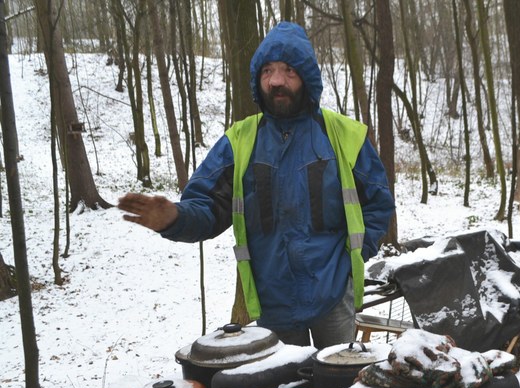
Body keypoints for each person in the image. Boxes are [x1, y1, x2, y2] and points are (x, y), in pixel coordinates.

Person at [117, 22, 395, 349]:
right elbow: (208, 208)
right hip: (272, 302)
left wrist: (353, 259)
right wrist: (174, 218)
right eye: (267, 70)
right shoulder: (240, 142)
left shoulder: (343, 135)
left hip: (331, 296)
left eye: (289, 70)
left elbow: (378, 203)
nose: (276, 80)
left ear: (307, 76)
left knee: (341, 386)